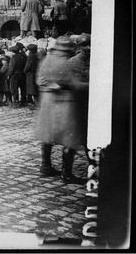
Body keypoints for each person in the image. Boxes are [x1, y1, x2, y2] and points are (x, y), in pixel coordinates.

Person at [35, 36, 88, 184]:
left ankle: (45, 166)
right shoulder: (67, 63)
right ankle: (66, 173)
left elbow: (40, 80)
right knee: (70, 139)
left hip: (47, 103)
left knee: (48, 135)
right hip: (65, 102)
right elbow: (75, 85)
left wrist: (51, 86)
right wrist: (92, 84)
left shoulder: (47, 59)